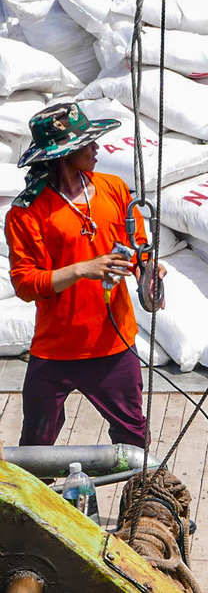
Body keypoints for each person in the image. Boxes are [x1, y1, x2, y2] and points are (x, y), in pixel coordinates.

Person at [6, 102, 165, 450]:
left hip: (114, 345)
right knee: (35, 446)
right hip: (55, 349)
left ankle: (138, 503)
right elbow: (25, 284)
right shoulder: (27, 213)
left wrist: (148, 272)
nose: (97, 148)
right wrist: (82, 269)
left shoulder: (114, 189)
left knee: (134, 441)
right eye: (87, 143)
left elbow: (137, 249)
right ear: (64, 154)